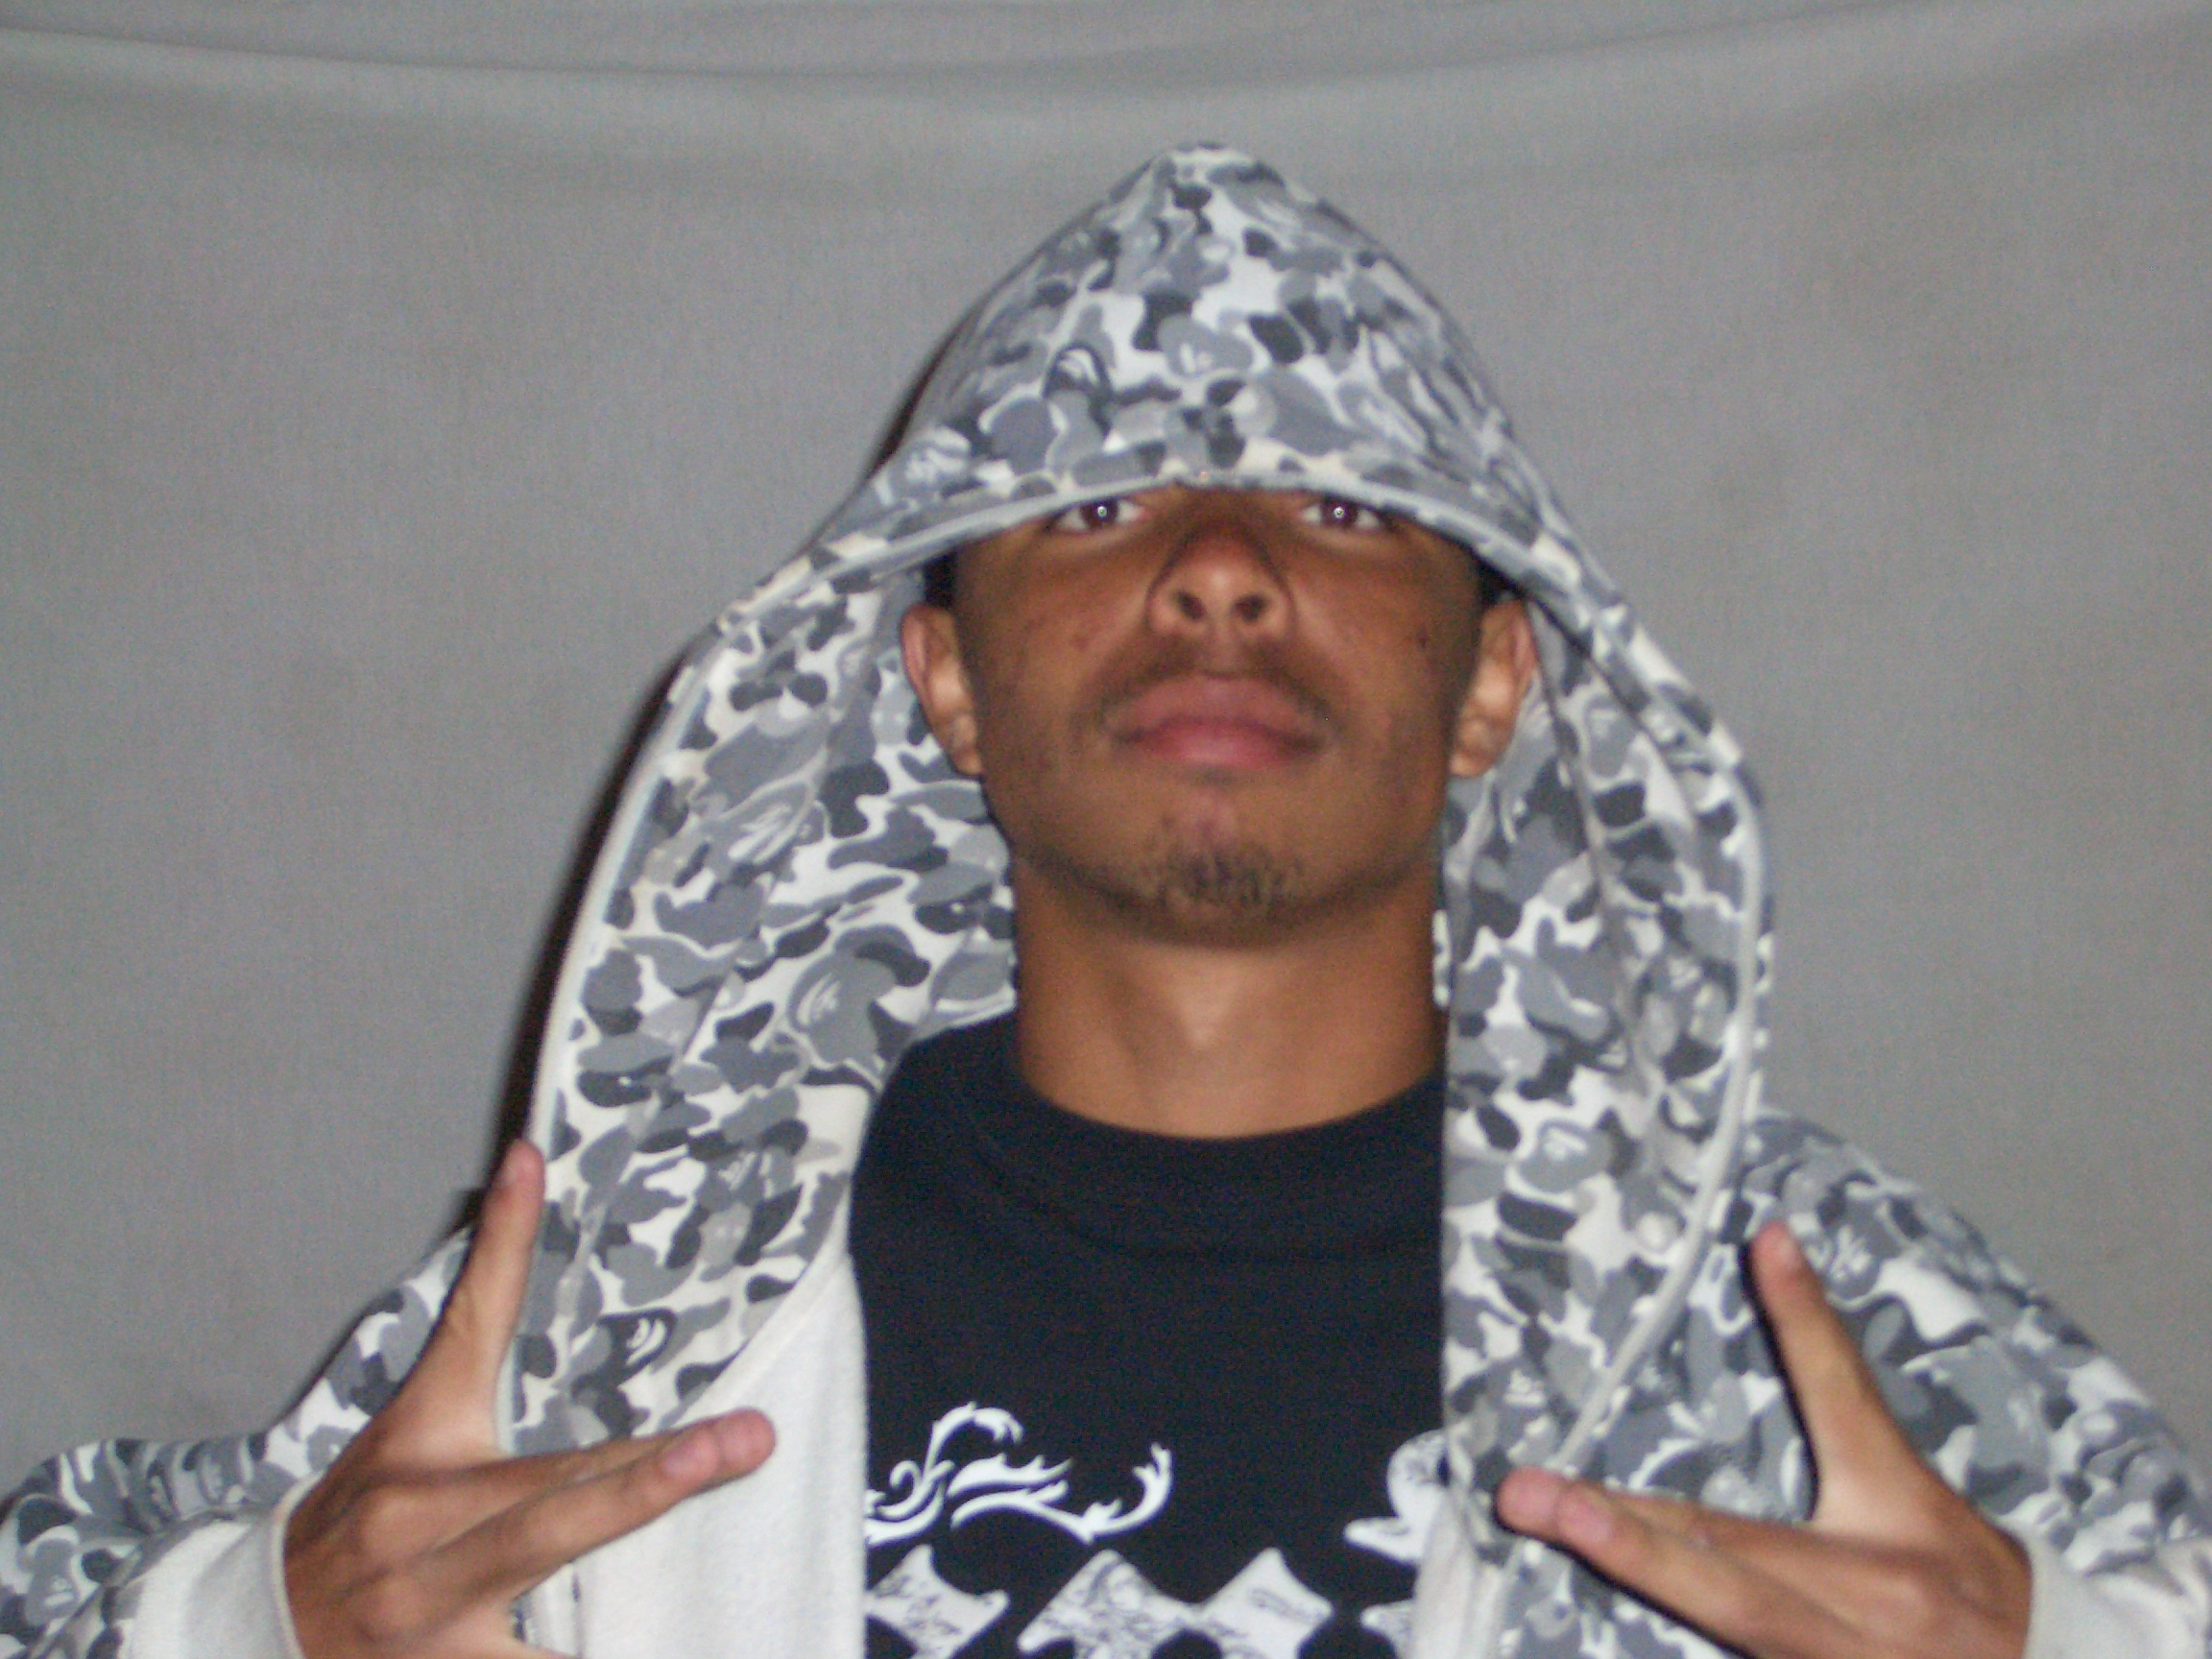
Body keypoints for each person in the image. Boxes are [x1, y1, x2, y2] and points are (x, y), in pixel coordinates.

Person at [2, 144, 2206, 1659]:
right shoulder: (641, 1288)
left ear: (1493, 682)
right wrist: (252, 1628)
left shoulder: (1781, 1307)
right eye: (1090, 507)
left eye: (1344, 506)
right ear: (940, 681)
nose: (1220, 563)